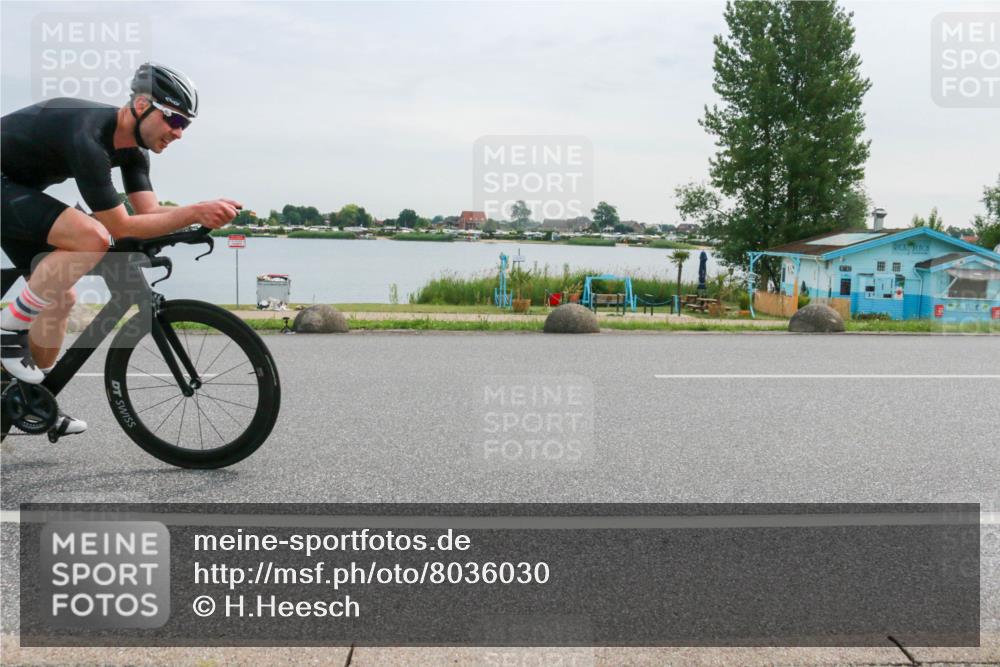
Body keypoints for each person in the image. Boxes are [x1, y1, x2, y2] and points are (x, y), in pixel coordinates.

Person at [1, 62, 240, 435]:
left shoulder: (133, 152)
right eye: (175, 120)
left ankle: (32, 400)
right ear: (142, 105)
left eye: (186, 126)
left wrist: (195, 223)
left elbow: (150, 214)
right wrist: (193, 211)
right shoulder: (89, 136)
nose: (179, 134)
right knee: (91, 236)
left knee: (59, 300)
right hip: (7, 187)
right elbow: (118, 226)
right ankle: (7, 333)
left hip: (17, 191)